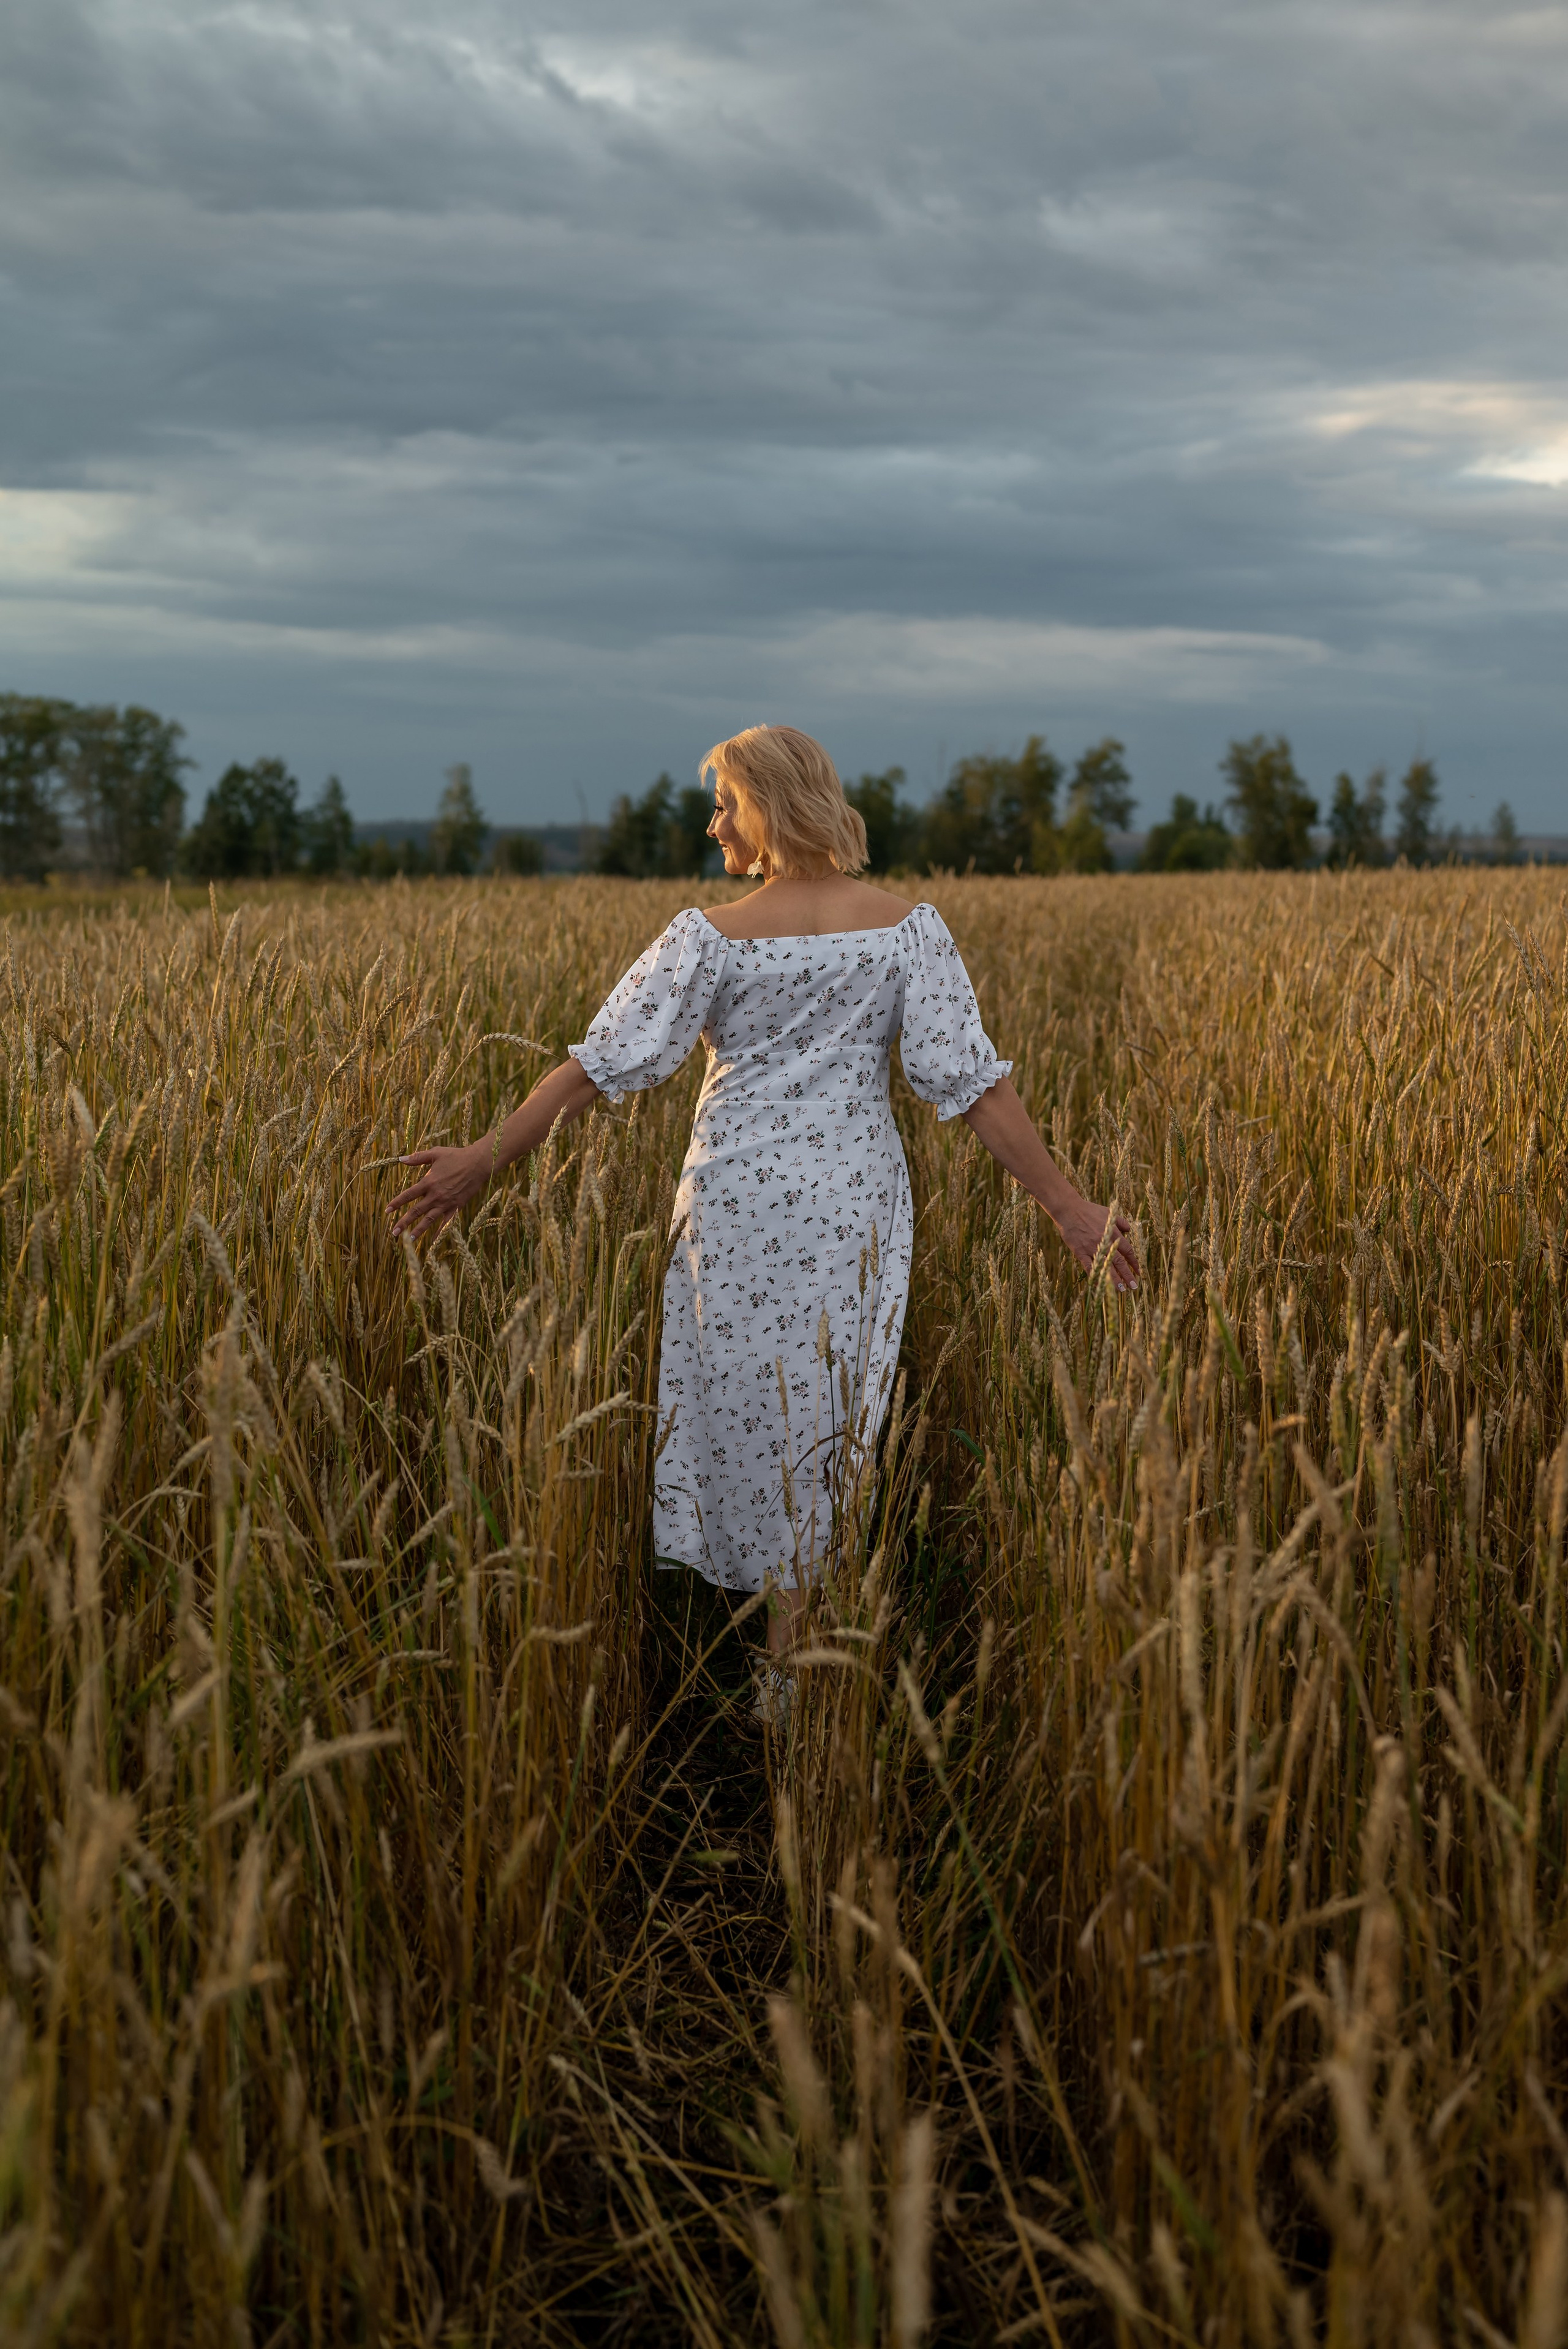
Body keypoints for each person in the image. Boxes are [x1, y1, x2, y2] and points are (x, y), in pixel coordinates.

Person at [388, 725, 1137, 1716]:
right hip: (851, 1207)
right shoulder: (910, 928)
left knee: (743, 1413)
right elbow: (975, 1091)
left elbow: (596, 1068)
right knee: (830, 1419)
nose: (714, 825)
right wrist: (1070, 1209)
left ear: (773, 806)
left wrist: (483, 1159)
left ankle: (773, 1673)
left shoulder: (705, 935)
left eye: (727, 804)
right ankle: (797, 1667)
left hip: (733, 1207)